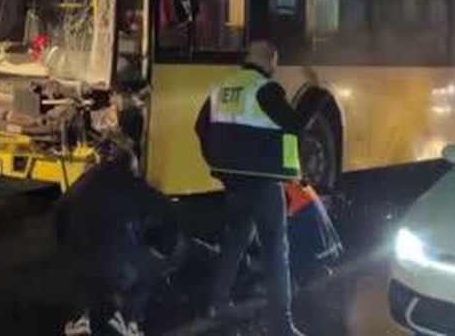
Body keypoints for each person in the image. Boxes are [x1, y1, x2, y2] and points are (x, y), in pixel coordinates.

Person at [195, 41, 307, 336]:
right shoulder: (265, 89)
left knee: (235, 241)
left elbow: (200, 126)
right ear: (269, 62)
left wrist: (216, 160)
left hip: (233, 182)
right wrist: (314, 100)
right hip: (262, 183)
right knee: (275, 248)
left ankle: (216, 304)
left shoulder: (223, 87)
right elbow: (294, 124)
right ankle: (282, 324)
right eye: (275, 64)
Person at [56, 133, 178, 336]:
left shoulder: (82, 183)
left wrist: (66, 247)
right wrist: (163, 245)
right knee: (153, 265)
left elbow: (59, 214)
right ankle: (128, 320)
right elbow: (167, 212)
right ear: (130, 159)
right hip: (116, 268)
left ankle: (80, 319)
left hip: (78, 265)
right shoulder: (133, 184)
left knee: (84, 264)